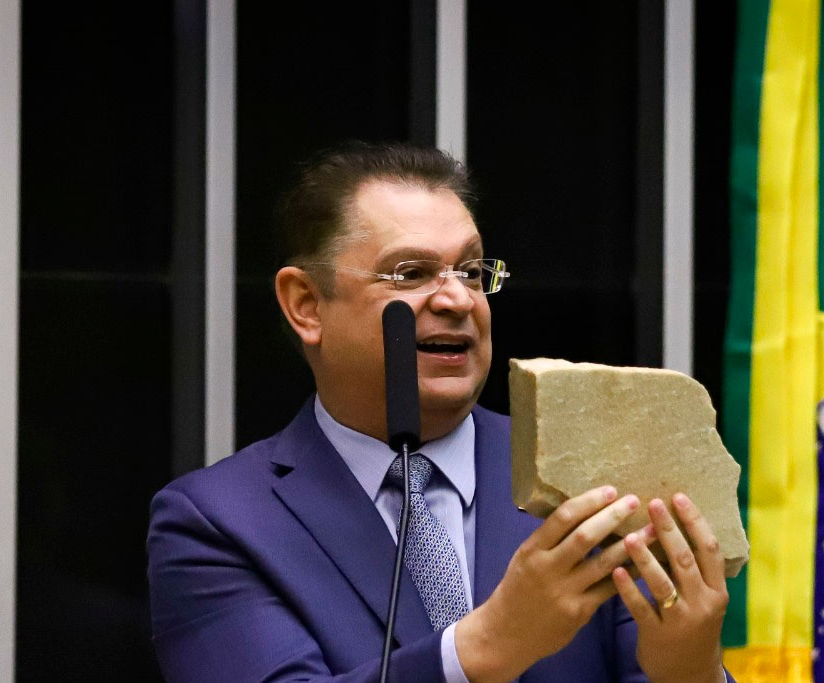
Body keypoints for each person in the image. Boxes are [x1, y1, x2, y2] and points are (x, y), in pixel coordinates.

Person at [147, 141, 733, 682]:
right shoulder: (217, 523)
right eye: (413, 274)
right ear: (306, 305)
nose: (457, 299)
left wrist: (692, 671)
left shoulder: (597, 485)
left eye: (472, 272)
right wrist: (484, 646)